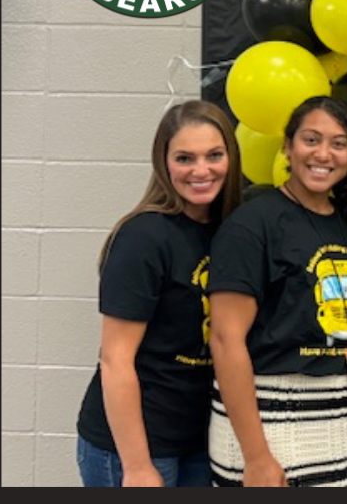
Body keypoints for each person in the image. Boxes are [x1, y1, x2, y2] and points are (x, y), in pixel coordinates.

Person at [206, 95, 347, 487]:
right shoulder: (252, 225)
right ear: (287, 147)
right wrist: (256, 458)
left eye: (338, 144)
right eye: (311, 139)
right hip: (273, 431)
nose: (323, 153)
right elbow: (225, 341)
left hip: (343, 424)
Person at [76, 99, 243, 487]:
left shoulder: (232, 232)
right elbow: (116, 359)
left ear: (231, 158)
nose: (201, 170)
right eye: (185, 158)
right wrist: (136, 467)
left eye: (214, 155)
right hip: (133, 448)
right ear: (164, 163)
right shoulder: (144, 236)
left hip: (199, 443)